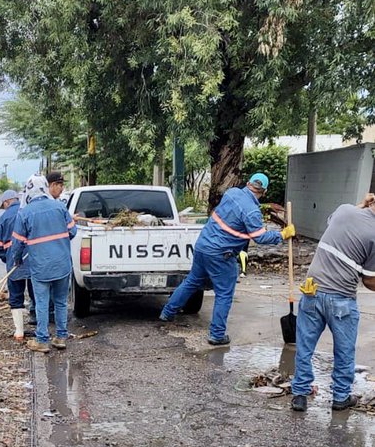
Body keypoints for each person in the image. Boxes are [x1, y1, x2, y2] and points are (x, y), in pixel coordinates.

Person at [160, 172, 295, 346]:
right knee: (224, 294)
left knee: (192, 281)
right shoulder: (252, 211)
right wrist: (282, 234)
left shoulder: (231, 193)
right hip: (221, 255)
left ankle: (167, 312)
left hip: (203, 246)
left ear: (248, 183)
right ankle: (217, 335)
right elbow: (260, 237)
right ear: (265, 191)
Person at [291, 192, 375, 412]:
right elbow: (368, 280)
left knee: (304, 346)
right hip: (341, 299)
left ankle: (299, 394)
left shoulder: (345, 209)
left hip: (312, 291)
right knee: (344, 351)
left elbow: (340, 221)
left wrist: (363, 205)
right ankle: (340, 397)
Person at [8, 171, 77, 352]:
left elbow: (17, 244)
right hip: (63, 264)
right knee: (61, 302)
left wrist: (17, 261)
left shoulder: (25, 213)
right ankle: (61, 337)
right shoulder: (60, 207)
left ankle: (42, 340)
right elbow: (73, 232)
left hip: (41, 267)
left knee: (42, 302)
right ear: (45, 187)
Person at [0, 190, 34, 340]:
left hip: (14, 263)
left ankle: (19, 331)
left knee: (16, 296)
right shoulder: (28, 212)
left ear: (6, 202)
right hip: (32, 261)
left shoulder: (4, 218)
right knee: (36, 293)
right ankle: (39, 325)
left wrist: (7, 260)